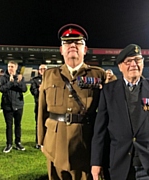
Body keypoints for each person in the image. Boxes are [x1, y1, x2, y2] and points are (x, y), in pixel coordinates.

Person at [91, 44, 149, 180]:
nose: (134, 64)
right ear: (120, 66)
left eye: (137, 60)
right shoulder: (108, 91)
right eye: (128, 61)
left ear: (143, 63)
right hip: (119, 165)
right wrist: (96, 162)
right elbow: (99, 131)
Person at [37, 23, 106, 180]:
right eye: (67, 43)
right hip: (54, 142)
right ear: (61, 50)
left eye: (78, 42)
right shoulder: (49, 75)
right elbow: (42, 110)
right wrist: (41, 140)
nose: (72, 45)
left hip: (85, 143)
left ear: (85, 50)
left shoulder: (99, 75)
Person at [0, 61, 27, 153]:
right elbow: (1, 89)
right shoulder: (3, 78)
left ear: (16, 67)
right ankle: (9, 144)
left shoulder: (20, 77)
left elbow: (24, 89)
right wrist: (10, 82)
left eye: (12, 66)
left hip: (18, 105)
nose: (10, 68)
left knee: (18, 125)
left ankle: (18, 143)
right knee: (9, 126)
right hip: (7, 106)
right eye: (9, 66)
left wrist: (18, 82)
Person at [30, 64, 47, 149]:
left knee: (50, 124)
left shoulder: (52, 79)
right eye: (41, 69)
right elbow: (33, 92)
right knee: (39, 124)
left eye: (44, 69)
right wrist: (38, 90)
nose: (43, 70)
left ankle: (48, 142)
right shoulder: (35, 80)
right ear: (39, 70)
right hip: (39, 105)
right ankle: (38, 142)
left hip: (50, 106)